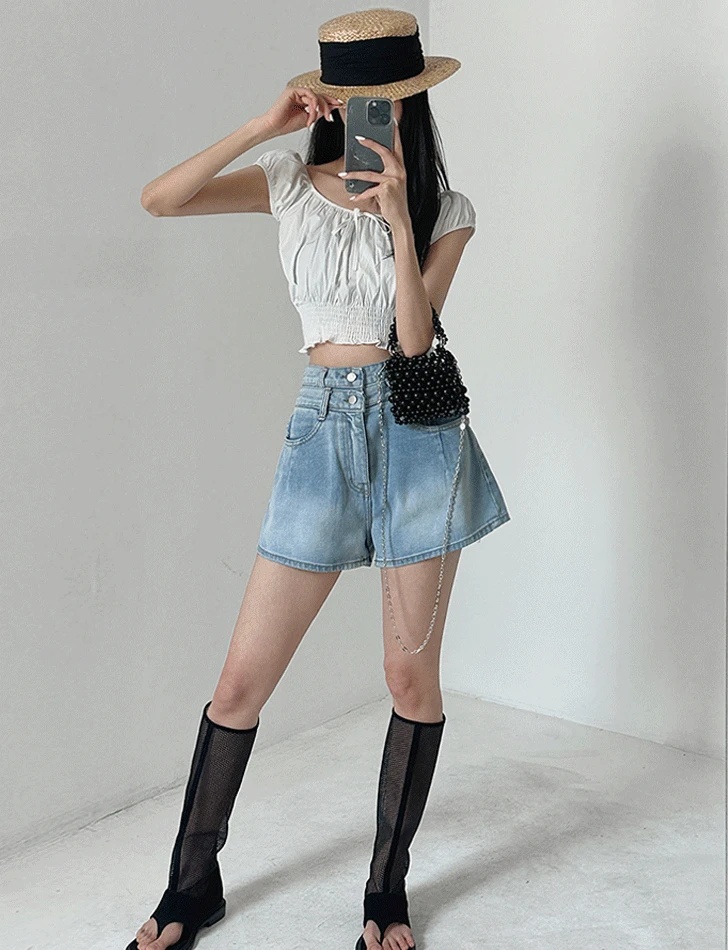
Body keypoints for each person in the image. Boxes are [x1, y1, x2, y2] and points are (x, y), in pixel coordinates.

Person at [127, 9, 510, 950]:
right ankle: (190, 887)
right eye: (353, 96)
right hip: (321, 434)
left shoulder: (448, 211)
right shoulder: (288, 181)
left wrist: (397, 218)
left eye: (388, 98)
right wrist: (263, 126)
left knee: (408, 677)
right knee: (238, 685)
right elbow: (160, 201)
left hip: (418, 442)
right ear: (328, 101)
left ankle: (387, 892)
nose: (371, 111)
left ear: (409, 105)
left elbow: (414, 341)